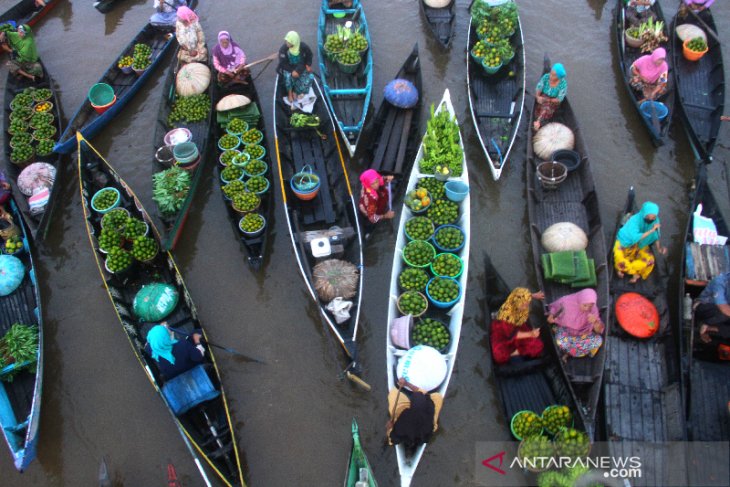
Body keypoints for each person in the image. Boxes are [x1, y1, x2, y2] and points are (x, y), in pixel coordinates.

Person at [613, 201, 666, 283]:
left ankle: (627, 269)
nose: (651, 219)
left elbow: (656, 236)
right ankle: (629, 271)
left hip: (640, 243)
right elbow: (635, 237)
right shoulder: (635, 220)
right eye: (649, 217)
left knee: (650, 260)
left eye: (653, 217)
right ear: (644, 214)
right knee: (619, 258)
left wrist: (659, 248)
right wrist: (651, 230)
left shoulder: (655, 221)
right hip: (625, 241)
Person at [490, 288, 545, 365]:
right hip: (505, 335)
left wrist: (534, 295)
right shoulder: (507, 316)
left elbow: (523, 295)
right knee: (499, 356)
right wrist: (531, 334)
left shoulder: (516, 299)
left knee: (538, 345)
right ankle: (513, 353)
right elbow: (512, 334)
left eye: (527, 304)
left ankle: (517, 350)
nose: (526, 307)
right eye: (524, 305)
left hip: (517, 326)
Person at [547, 289, 604, 361]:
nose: (587, 309)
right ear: (580, 300)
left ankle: (570, 352)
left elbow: (599, 330)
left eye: (590, 306)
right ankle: (575, 351)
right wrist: (551, 316)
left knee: (599, 341)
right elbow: (554, 308)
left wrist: (595, 322)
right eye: (585, 305)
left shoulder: (593, 310)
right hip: (567, 332)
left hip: (582, 335)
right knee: (561, 341)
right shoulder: (566, 302)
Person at [386, 377, 443, 449]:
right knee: (437, 397)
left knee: (393, 394)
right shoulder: (428, 408)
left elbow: (393, 439)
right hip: (424, 433)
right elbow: (423, 394)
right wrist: (407, 384)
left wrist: (389, 428)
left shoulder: (403, 420)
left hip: (407, 434)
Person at [694, 272, 730, 361]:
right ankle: (705, 323)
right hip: (705, 307)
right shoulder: (720, 281)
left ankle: (710, 328)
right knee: (724, 315)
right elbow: (723, 307)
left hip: (722, 314)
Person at [278, 31, 314, 103]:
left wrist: (308, 65)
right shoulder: (283, 49)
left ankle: (296, 91)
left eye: (289, 42)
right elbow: (283, 64)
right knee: (288, 77)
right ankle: (290, 93)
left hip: (300, 66)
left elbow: (309, 55)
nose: (287, 43)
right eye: (286, 41)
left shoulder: (303, 47)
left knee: (309, 78)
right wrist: (292, 71)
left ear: (294, 42)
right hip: (288, 67)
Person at [358, 169, 394, 235]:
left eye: (376, 181)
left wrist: (386, 178)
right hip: (369, 214)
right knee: (371, 226)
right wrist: (385, 216)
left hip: (378, 204)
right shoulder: (371, 198)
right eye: (373, 184)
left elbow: (379, 179)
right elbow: (372, 218)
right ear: (368, 184)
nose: (376, 185)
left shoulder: (368, 183)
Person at [533, 63, 567, 131]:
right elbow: (539, 87)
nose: (551, 76)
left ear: (559, 77)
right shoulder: (546, 77)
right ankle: (539, 120)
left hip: (554, 100)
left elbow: (559, 99)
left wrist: (548, 100)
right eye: (551, 73)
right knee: (539, 108)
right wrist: (538, 96)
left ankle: (538, 122)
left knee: (547, 108)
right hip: (544, 95)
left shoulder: (563, 84)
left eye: (554, 75)